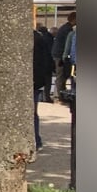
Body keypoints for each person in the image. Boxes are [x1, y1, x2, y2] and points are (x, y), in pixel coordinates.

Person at [32, 20, 56, 149]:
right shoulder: (39, 38)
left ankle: (36, 140)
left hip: (33, 81)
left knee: (31, 113)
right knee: (32, 112)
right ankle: (36, 140)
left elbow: (42, 61)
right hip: (36, 81)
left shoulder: (36, 40)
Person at [51, 11, 76, 101]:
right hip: (60, 55)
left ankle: (60, 94)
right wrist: (65, 57)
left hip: (58, 54)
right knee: (61, 76)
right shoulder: (68, 30)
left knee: (61, 75)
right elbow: (68, 45)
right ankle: (60, 95)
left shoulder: (65, 28)